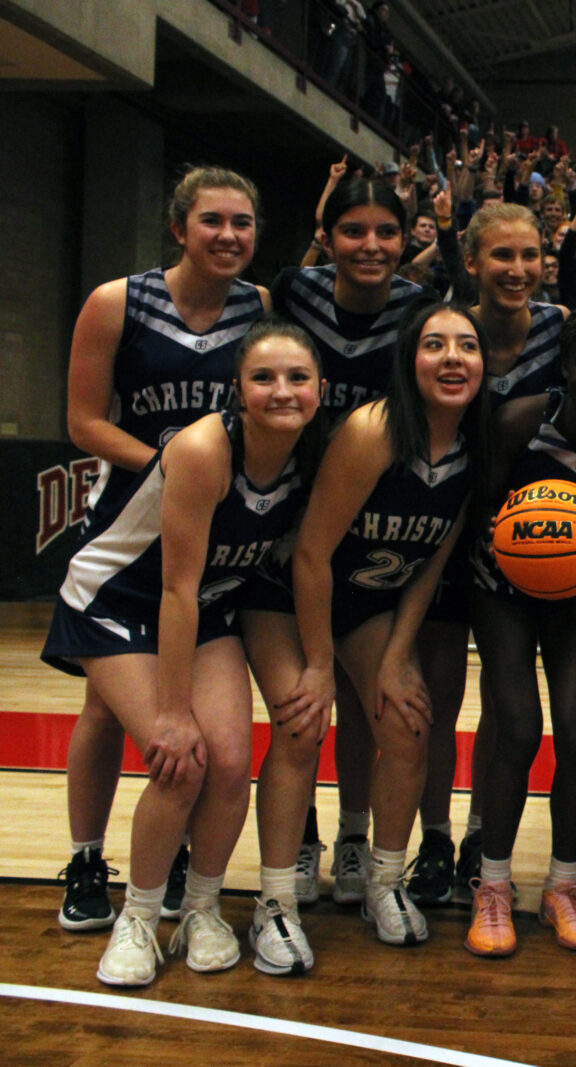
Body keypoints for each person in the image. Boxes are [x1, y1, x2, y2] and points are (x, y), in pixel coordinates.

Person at [43, 320, 322, 985]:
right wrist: (171, 710)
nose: (282, 391)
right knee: (183, 757)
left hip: (205, 605)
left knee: (229, 760)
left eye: (298, 378)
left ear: (320, 389)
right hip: (117, 599)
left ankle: (201, 907)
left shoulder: (313, 453)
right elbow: (174, 585)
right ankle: (138, 917)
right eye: (263, 377)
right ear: (237, 389)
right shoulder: (204, 448)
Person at [57, 166, 269, 935]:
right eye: (213, 221)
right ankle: (85, 857)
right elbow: (84, 421)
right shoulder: (117, 302)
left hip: (209, 542)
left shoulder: (260, 310)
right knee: (105, 708)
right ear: (179, 227)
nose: (228, 236)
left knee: (204, 742)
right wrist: (171, 468)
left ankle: (174, 853)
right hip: (126, 529)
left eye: (242, 224)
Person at [250, 301, 486, 965]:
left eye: (465, 345)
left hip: (368, 599)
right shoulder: (375, 429)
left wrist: (396, 656)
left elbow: (430, 562)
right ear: (409, 361)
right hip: (287, 594)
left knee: (409, 720)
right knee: (301, 722)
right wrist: (320, 664)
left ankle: (384, 881)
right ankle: (275, 903)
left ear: (483, 364)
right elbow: (310, 554)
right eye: (433, 344)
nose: (450, 357)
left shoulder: (475, 442)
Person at [271, 176, 442, 913]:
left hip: (369, 542)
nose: (371, 245)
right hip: (288, 532)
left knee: (371, 702)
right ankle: (299, 845)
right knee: (303, 711)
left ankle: (353, 838)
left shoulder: (418, 315)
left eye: (386, 232)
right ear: (329, 235)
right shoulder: (293, 294)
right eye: (354, 230)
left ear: (408, 241)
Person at [467, 303, 576, 955]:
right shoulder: (522, 418)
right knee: (516, 728)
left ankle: (563, 885)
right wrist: (500, 537)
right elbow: (478, 504)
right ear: (565, 365)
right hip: (506, 593)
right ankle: (492, 885)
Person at [442, 198, 569, 898]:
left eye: (530, 256)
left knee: (502, 694)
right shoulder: (445, 332)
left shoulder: (562, 329)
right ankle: (424, 835)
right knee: (434, 693)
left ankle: (476, 834)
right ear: (471, 261)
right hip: (444, 521)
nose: (517, 269)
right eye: (502, 255)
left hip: (532, 536)